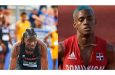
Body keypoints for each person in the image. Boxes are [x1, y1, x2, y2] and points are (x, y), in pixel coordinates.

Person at [58, 6, 115, 70]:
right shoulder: (62, 49)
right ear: (75, 24)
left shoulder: (109, 51)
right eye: (81, 20)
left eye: (89, 19)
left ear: (94, 21)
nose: (86, 22)